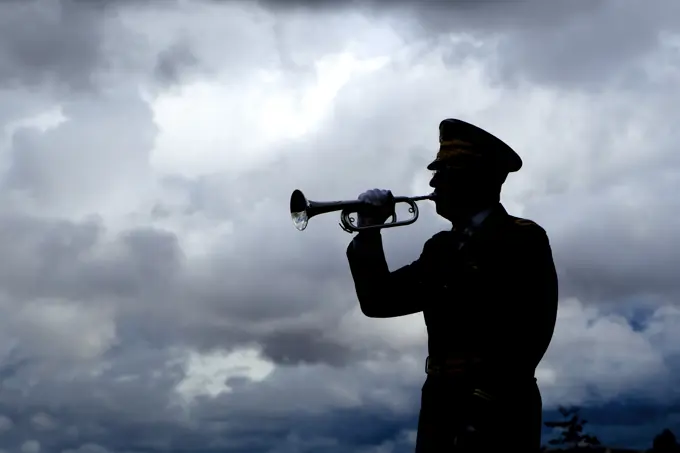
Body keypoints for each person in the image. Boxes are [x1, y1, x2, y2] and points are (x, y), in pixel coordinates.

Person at [345, 118, 559, 452]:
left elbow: (533, 329)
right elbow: (379, 301)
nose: (432, 182)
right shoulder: (440, 248)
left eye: (443, 173)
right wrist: (369, 230)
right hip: (440, 399)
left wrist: (484, 403)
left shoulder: (522, 237)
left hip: (500, 405)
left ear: (473, 178)